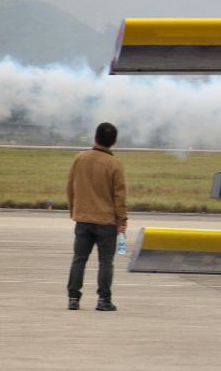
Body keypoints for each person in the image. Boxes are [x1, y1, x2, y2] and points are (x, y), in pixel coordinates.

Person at [66, 122, 128, 311]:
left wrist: (74, 211)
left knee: (79, 259)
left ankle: (73, 298)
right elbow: (120, 196)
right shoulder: (115, 164)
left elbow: (70, 187)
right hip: (106, 222)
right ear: (114, 141)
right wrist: (122, 221)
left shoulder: (80, 158)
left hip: (83, 219)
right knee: (105, 262)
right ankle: (104, 300)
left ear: (95, 137)